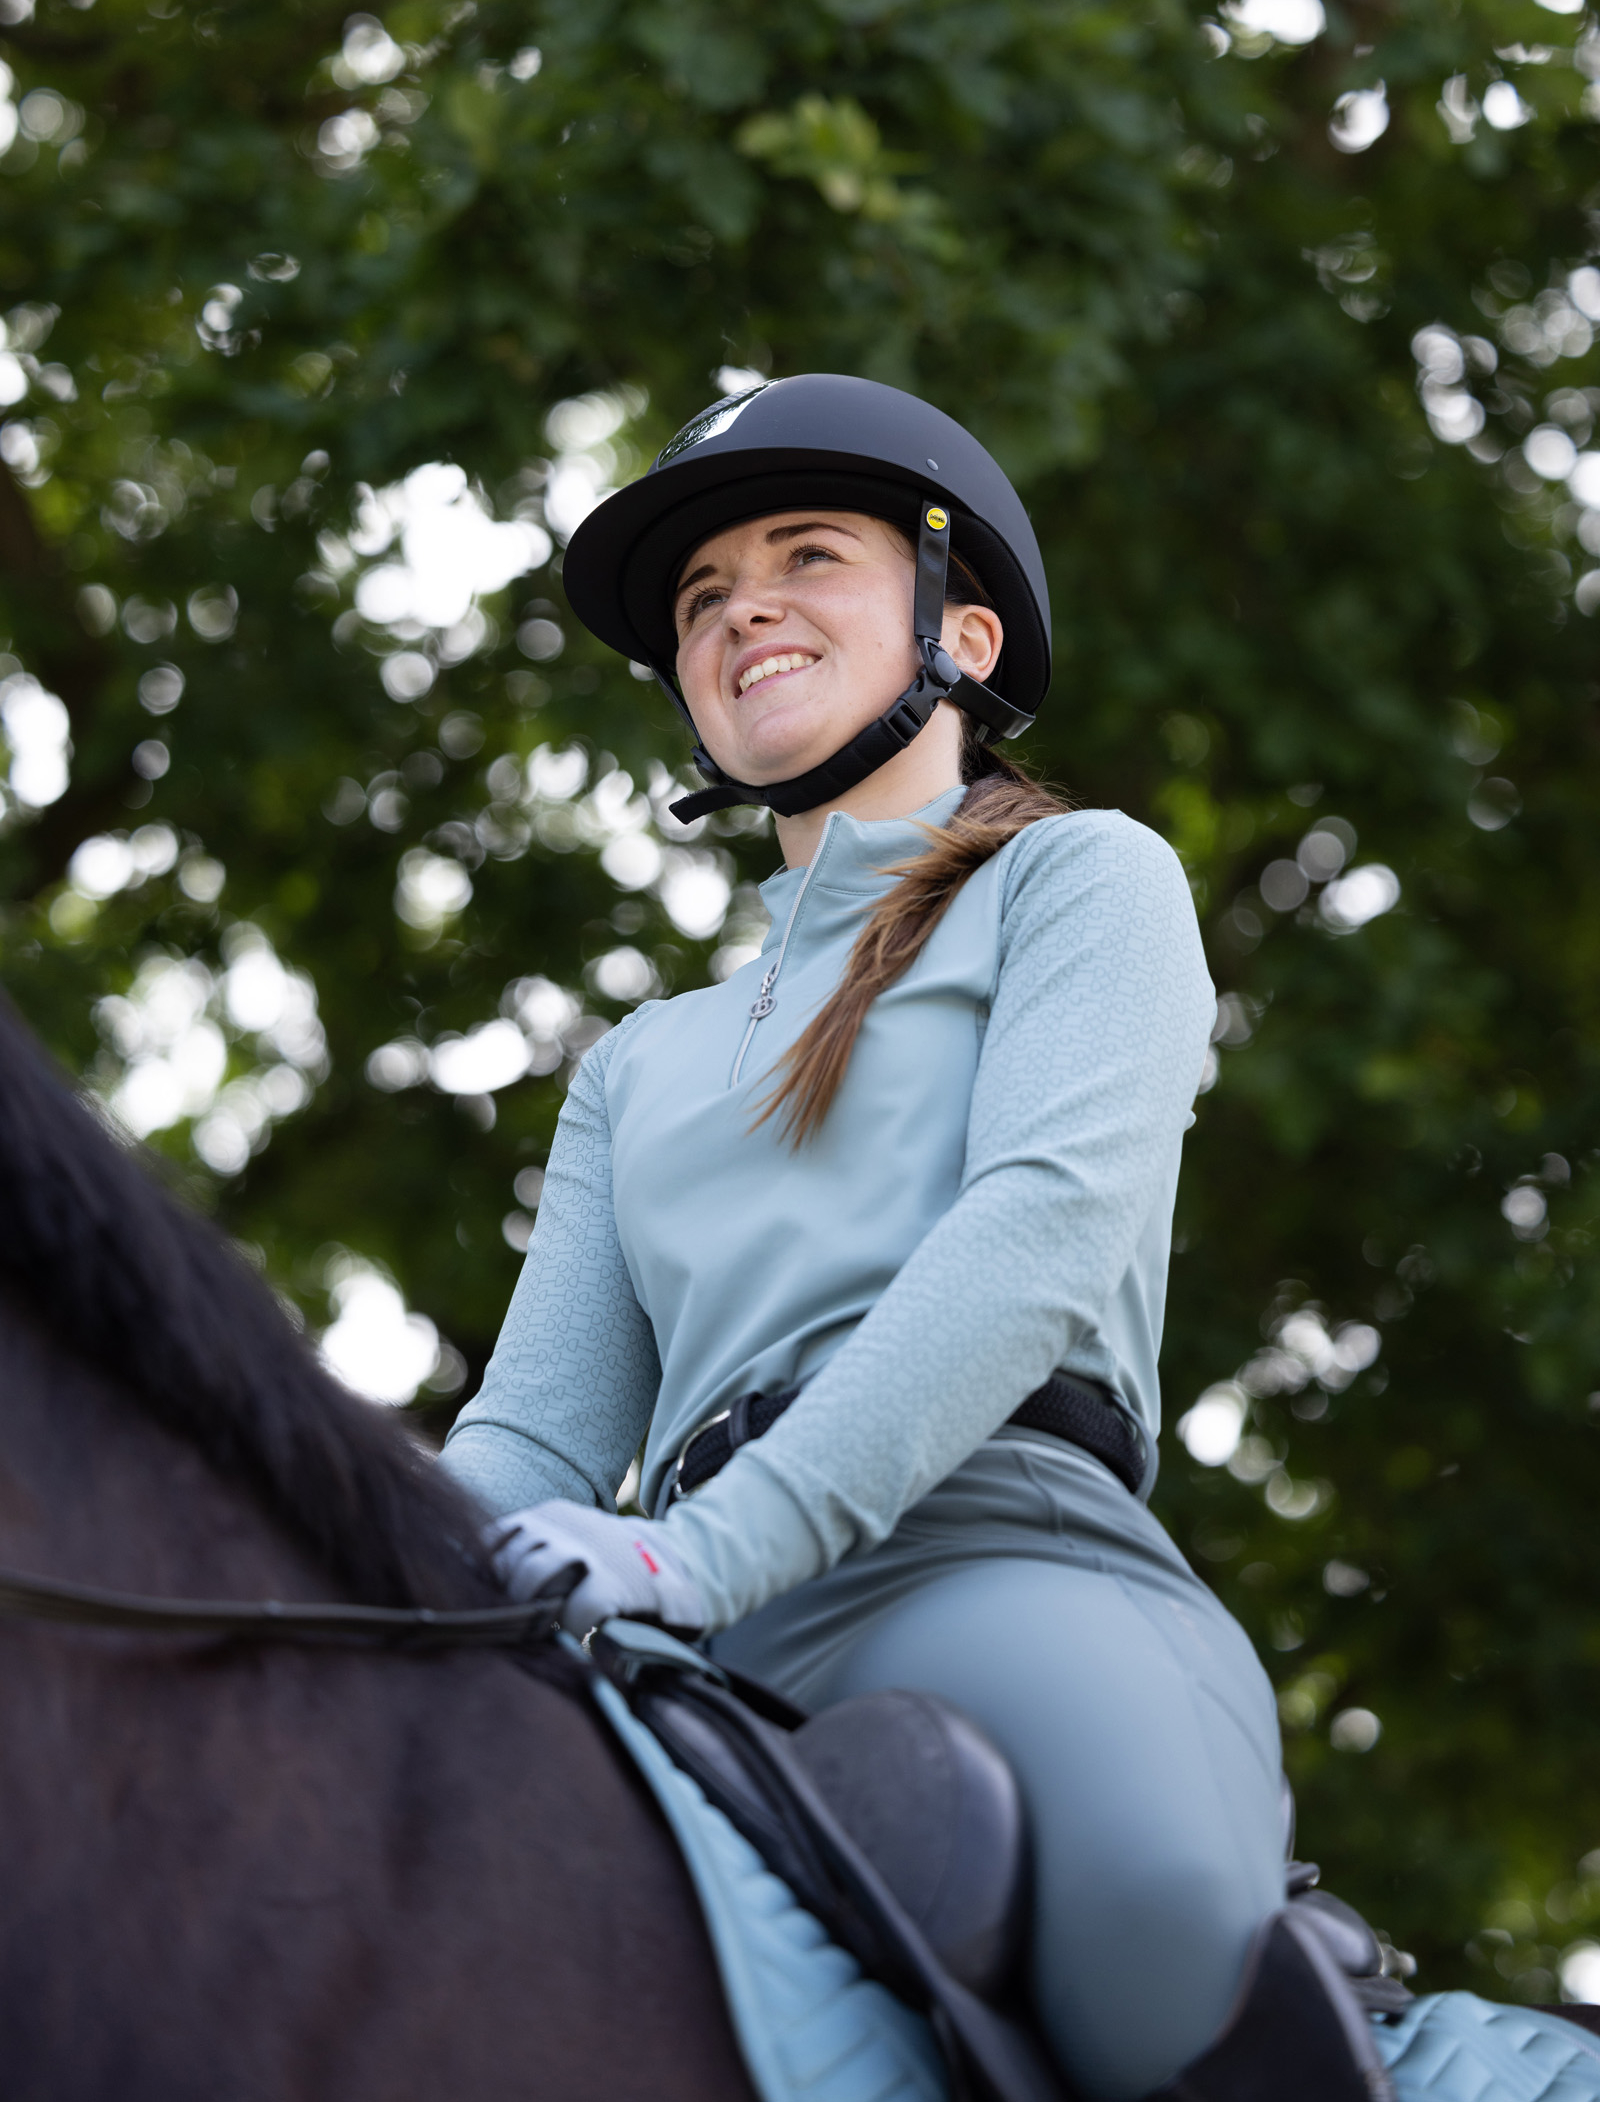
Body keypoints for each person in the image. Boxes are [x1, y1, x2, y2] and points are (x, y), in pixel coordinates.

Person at [441, 376, 1372, 2102]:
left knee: (1161, 1920)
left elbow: (1038, 1235)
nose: (744, 612)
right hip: (672, 1632)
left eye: (806, 559)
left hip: (990, 1564)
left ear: (961, 628)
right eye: (706, 599)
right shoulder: (640, 1060)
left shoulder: (1085, 883)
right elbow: (536, 1435)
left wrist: (708, 1550)